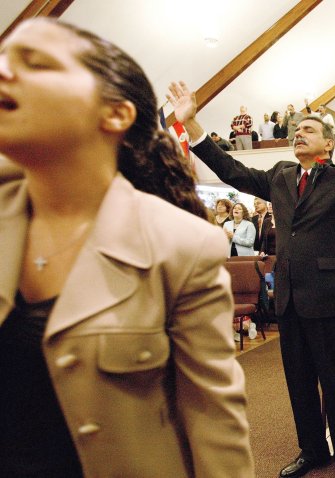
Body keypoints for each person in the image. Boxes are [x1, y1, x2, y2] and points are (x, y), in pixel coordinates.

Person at [0, 18, 253, 477]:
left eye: (35, 62)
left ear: (114, 114)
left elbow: (213, 421)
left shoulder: (181, 244)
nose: (3, 70)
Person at [168, 60, 335, 478]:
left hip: (327, 296)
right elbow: (232, 170)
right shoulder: (280, 175)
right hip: (288, 296)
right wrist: (193, 125)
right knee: (299, 383)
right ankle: (312, 450)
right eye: (296, 129)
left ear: (327, 143)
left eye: (307, 129)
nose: (298, 133)